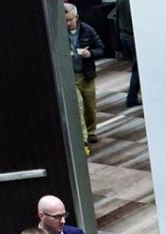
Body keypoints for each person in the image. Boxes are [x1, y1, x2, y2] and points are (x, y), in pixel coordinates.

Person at [64, 4, 104, 147]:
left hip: (86, 75)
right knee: (78, 107)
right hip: (70, 75)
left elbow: (101, 49)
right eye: (65, 21)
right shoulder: (60, 34)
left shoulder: (88, 30)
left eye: (70, 20)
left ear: (76, 17)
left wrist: (90, 54)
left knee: (90, 106)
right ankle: (83, 138)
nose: (68, 23)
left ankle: (91, 131)